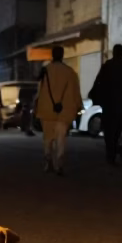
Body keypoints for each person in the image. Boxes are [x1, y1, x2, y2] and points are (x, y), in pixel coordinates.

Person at [34, 45, 83, 175]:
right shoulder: (70, 72)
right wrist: (78, 107)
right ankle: (59, 164)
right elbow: (75, 92)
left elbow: (39, 92)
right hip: (64, 111)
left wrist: (37, 107)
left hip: (46, 110)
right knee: (61, 138)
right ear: (62, 55)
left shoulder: (45, 71)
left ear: (52, 55)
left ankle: (48, 161)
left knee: (47, 138)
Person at [89, 43, 122, 165]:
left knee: (109, 130)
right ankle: (113, 153)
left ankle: (110, 153)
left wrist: (95, 96)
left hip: (108, 104)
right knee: (117, 130)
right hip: (120, 104)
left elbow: (98, 82)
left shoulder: (107, 66)